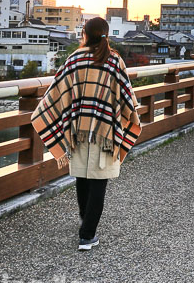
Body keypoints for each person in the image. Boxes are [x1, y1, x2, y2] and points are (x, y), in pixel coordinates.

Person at [31, 17, 141, 251]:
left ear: (85, 34)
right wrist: (128, 115)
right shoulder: (115, 61)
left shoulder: (75, 58)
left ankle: (85, 223)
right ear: (106, 35)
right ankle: (87, 235)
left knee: (82, 177)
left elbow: (57, 93)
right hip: (106, 130)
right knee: (99, 182)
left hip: (78, 129)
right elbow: (126, 96)